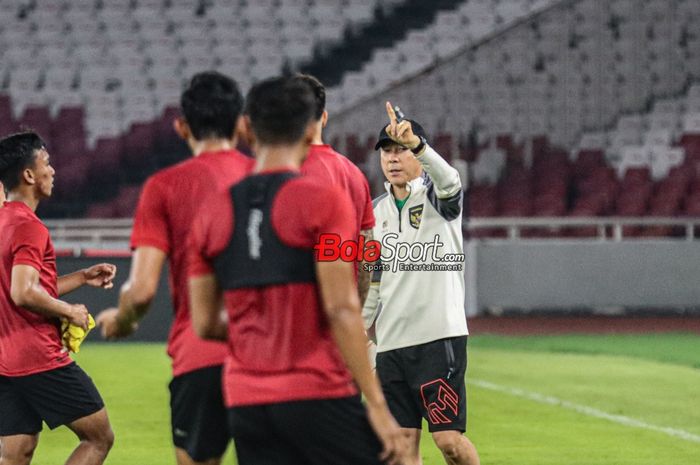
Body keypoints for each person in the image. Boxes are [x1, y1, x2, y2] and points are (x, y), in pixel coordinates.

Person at [188, 76, 405, 465]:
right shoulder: (324, 202)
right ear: (311, 127)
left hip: (245, 400)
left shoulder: (212, 209)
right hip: (316, 390)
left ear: (245, 127)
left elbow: (204, 322)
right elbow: (342, 305)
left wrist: (261, 331)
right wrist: (375, 403)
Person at [95, 72, 254, 465]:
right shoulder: (270, 180)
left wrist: (124, 319)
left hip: (200, 356)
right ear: (241, 124)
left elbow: (143, 289)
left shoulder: (164, 187)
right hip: (268, 355)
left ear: (181, 127)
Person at [362, 103, 480, 465]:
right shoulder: (374, 212)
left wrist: (421, 146)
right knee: (400, 449)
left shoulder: (436, 198)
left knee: (449, 442)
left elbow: (450, 181)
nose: (393, 159)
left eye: (400, 150)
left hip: (437, 338)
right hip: (391, 347)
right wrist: (363, 332)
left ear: (416, 153)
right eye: (387, 152)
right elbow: (373, 282)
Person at [0, 131, 116, 465]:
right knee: (98, 438)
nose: (53, 171)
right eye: (47, 163)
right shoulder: (29, 226)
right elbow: (22, 292)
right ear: (29, 175)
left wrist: (81, 277)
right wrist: (70, 311)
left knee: (16, 454)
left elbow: (22, 286)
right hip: (38, 357)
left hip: (5, 361)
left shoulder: (4, 221)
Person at [294, 74, 376, 303]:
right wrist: (355, 313)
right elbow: (366, 252)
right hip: (341, 319)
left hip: (299, 319)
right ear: (325, 117)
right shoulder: (355, 174)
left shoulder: (286, 174)